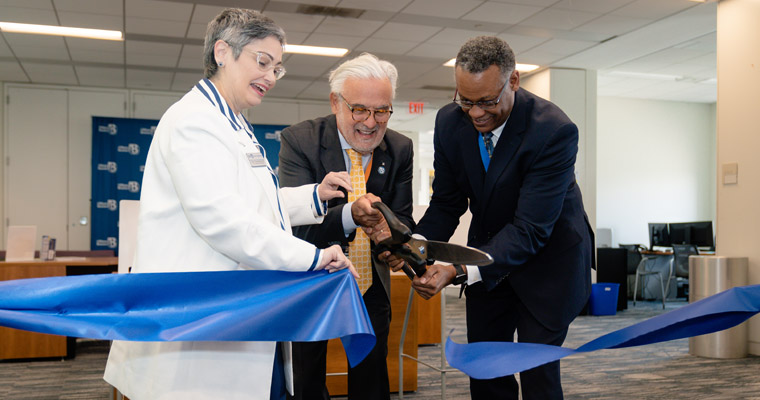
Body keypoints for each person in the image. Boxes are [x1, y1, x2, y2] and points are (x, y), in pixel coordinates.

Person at [103, 9, 358, 400]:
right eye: (263, 62)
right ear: (223, 52)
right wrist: (314, 257)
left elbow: (253, 204)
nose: (271, 77)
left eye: (277, 68)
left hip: (240, 316)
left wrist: (313, 196)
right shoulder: (194, 121)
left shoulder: (235, 124)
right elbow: (224, 219)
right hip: (201, 325)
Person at [408, 36, 594, 399]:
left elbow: (529, 230)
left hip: (549, 262)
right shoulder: (449, 122)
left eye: (488, 102)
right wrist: (415, 248)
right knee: (487, 367)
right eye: (466, 101)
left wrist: (458, 269)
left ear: (513, 81)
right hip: (490, 255)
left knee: (536, 373)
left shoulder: (553, 130)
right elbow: (447, 202)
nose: (476, 113)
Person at [278, 53, 414, 400]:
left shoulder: (399, 148)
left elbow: (404, 219)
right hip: (312, 285)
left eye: (382, 110)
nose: (371, 122)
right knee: (307, 381)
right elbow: (295, 229)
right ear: (335, 102)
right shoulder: (300, 141)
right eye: (360, 110)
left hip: (370, 288)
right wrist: (350, 215)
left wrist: (394, 245)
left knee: (371, 380)